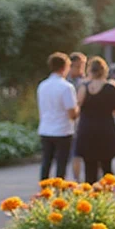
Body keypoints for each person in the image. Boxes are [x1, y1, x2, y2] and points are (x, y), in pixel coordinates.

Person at [75, 56, 115, 183]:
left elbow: (77, 107)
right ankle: (107, 198)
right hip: (106, 130)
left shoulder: (83, 87)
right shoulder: (111, 88)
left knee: (89, 168)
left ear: (90, 70)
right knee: (107, 167)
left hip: (86, 130)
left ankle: (90, 197)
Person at [37, 52, 78, 180]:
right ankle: (60, 193)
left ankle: (43, 192)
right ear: (64, 67)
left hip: (45, 129)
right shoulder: (67, 87)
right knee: (61, 165)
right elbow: (72, 113)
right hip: (63, 130)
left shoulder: (42, 85)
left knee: (46, 163)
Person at [67, 52, 87, 179]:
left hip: (82, 122)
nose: (81, 69)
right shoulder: (69, 83)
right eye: (79, 66)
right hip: (73, 122)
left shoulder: (84, 81)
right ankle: (76, 180)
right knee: (76, 154)